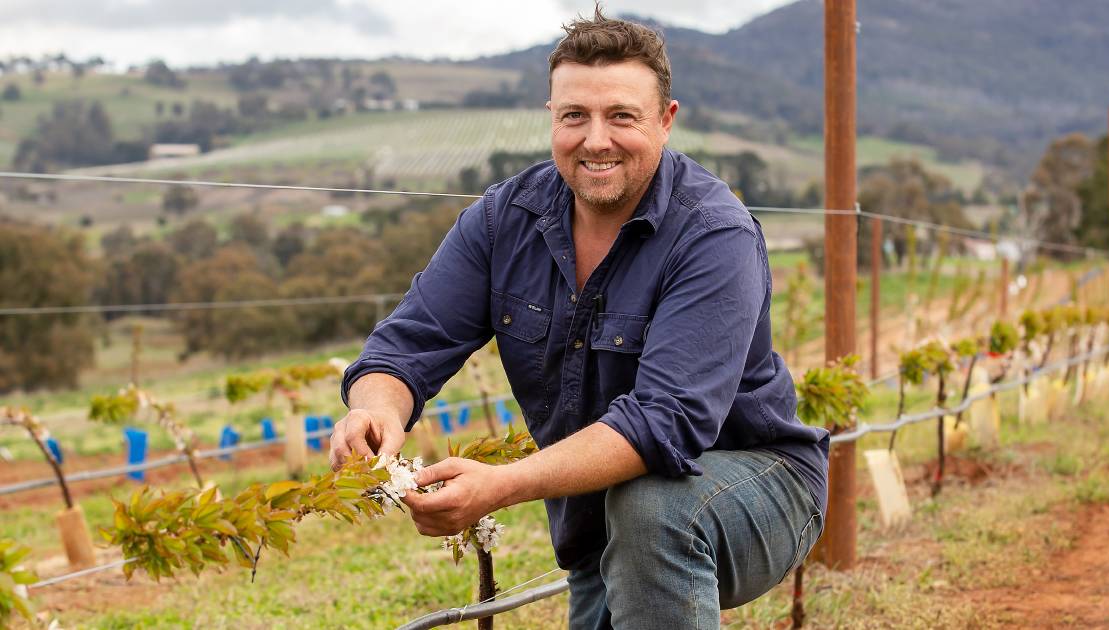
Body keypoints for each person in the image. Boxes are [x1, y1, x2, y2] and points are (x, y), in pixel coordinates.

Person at [329, 8, 829, 629]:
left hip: (761, 483)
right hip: (599, 519)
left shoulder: (712, 233)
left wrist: (500, 485)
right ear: (551, 119)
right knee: (633, 533)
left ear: (666, 122)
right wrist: (377, 407)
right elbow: (407, 346)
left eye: (622, 115)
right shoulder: (502, 220)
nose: (596, 139)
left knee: (653, 512)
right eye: (575, 116)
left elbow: (663, 424)